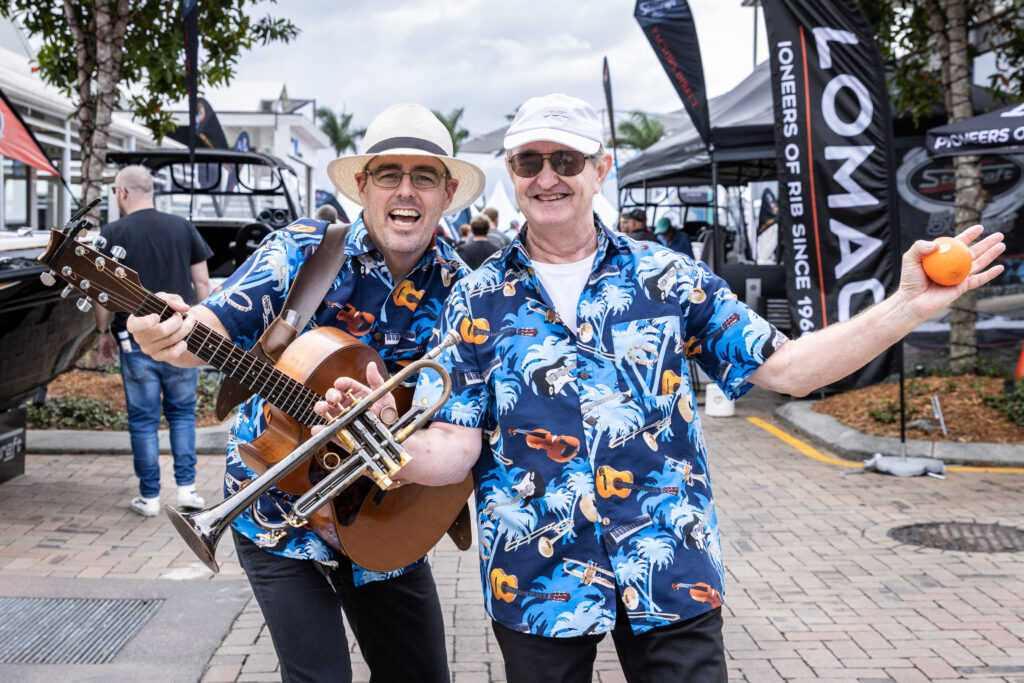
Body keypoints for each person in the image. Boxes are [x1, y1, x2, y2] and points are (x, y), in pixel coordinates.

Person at [319, 93, 1006, 683]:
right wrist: (380, 440)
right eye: (530, 161)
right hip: (535, 576)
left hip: (670, 561)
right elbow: (456, 448)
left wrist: (905, 310)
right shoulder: (476, 298)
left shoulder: (667, 279)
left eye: (567, 160)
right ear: (511, 174)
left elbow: (787, 368)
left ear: (601, 168)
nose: (548, 176)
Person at [127, 103, 486, 683]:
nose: (406, 191)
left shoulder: (466, 291)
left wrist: (399, 423)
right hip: (276, 515)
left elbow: (466, 417)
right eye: (389, 174)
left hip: (385, 512)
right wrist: (168, 334)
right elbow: (214, 327)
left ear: (447, 193)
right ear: (363, 186)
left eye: (424, 176)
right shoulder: (305, 251)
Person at [92, 165, 213, 517]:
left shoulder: (113, 231)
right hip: (182, 338)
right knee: (183, 414)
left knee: (144, 420)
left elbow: (101, 294)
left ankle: (149, 498)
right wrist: (202, 327)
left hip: (134, 341)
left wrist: (103, 335)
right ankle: (188, 489)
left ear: (123, 193)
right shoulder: (182, 226)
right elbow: (202, 284)